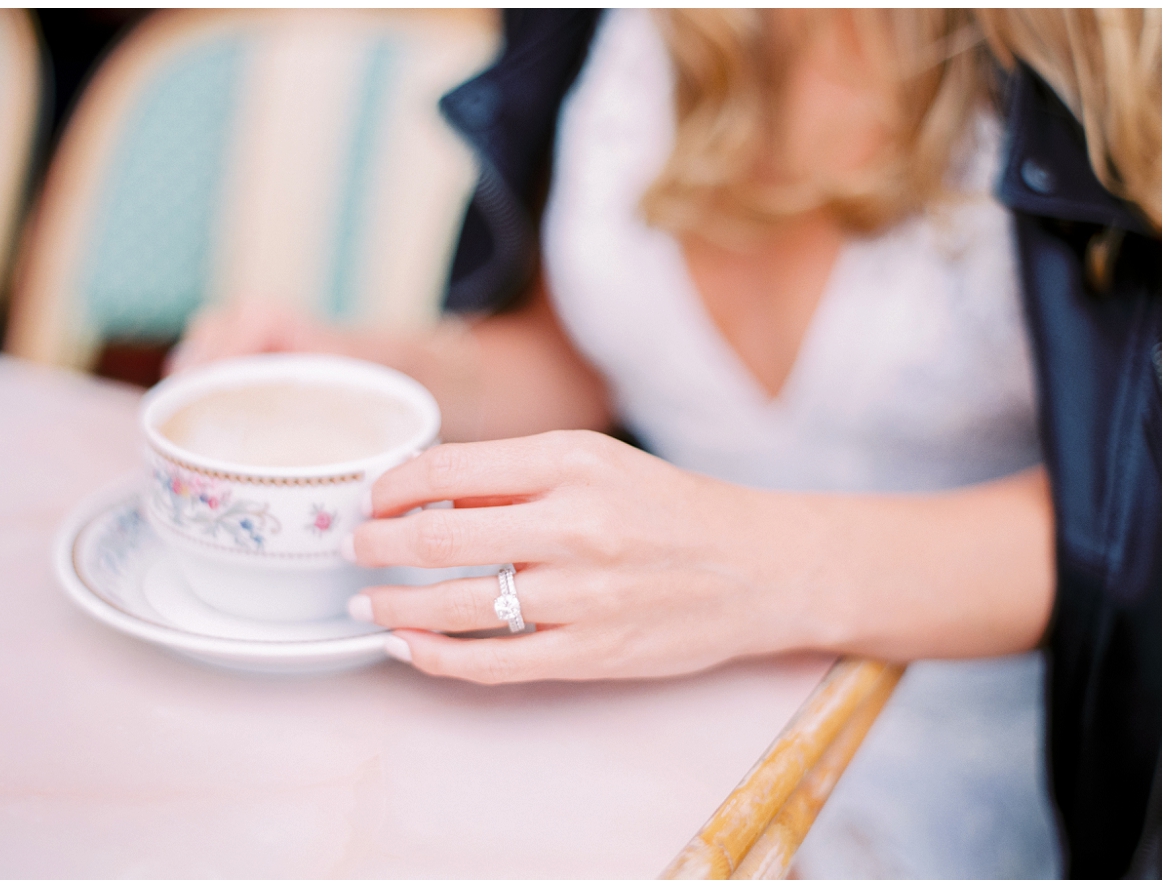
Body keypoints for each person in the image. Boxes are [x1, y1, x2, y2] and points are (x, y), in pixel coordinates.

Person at [169, 9, 1159, 878]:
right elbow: (585, 352)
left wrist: (760, 569)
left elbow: (1139, 509)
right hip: (632, 708)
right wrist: (380, 374)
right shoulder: (598, 22)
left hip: (1014, 763)